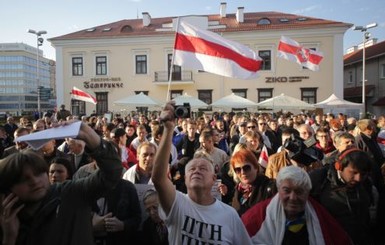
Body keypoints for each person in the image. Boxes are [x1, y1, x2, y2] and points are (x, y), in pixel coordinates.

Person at [0, 121, 123, 245]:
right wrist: (9, 238)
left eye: (39, 173)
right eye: (24, 179)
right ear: (9, 187)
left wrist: (90, 137)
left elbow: (111, 174)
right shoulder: (6, 222)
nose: (34, 181)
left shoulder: (70, 193)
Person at [151, 101, 252, 244]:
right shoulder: (177, 204)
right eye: (192, 169)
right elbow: (158, 179)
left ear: (214, 178)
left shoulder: (230, 215)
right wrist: (168, 129)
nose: (196, 171)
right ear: (185, 179)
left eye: (203, 168)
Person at [242, 165, 352, 245]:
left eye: (299, 192)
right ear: (279, 190)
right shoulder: (257, 216)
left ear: (308, 193)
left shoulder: (319, 214)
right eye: (287, 190)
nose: (293, 198)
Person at [309, 148, 383, 245]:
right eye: (354, 172)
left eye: (363, 174)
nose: (358, 178)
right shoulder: (319, 179)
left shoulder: (366, 184)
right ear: (339, 166)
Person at [219, 148, 276, 216]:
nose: (242, 172)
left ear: (256, 167)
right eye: (238, 170)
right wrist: (226, 193)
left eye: (246, 168)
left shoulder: (270, 187)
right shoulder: (238, 189)